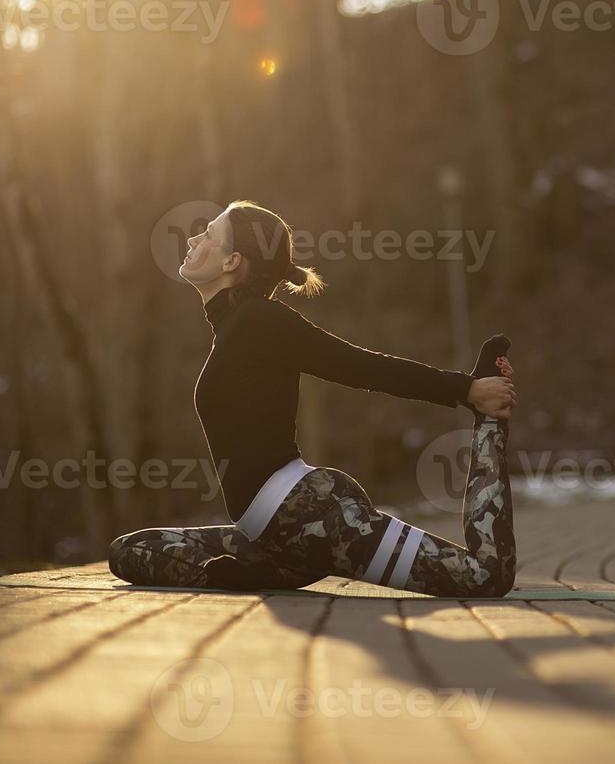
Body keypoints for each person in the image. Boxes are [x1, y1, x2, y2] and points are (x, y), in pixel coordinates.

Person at [108, 200, 519, 597]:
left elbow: (361, 366)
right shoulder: (233, 327)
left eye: (208, 233)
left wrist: (467, 390)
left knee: (484, 576)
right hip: (269, 534)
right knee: (130, 552)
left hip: (315, 517)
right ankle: (262, 572)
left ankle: (489, 424)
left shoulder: (262, 320)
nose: (193, 239)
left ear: (232, 261)